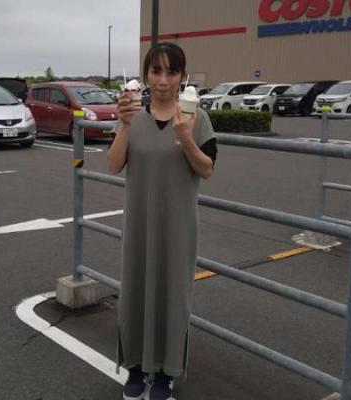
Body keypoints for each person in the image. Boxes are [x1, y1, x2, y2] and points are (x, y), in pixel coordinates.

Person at [107, 42, 217, 400]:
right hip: (139, 227)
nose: (164, 80)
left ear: (183, 76)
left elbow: (207, 169)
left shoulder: (196, 118)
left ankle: (167, 374)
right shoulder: (132, 117)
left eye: (172, 71)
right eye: (156, 71)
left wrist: (185, 138)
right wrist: (124, 126)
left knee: (173, 297)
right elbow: (114, 164)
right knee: (135, 292)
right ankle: (136, 368)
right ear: (146, 75)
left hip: (178, 228)